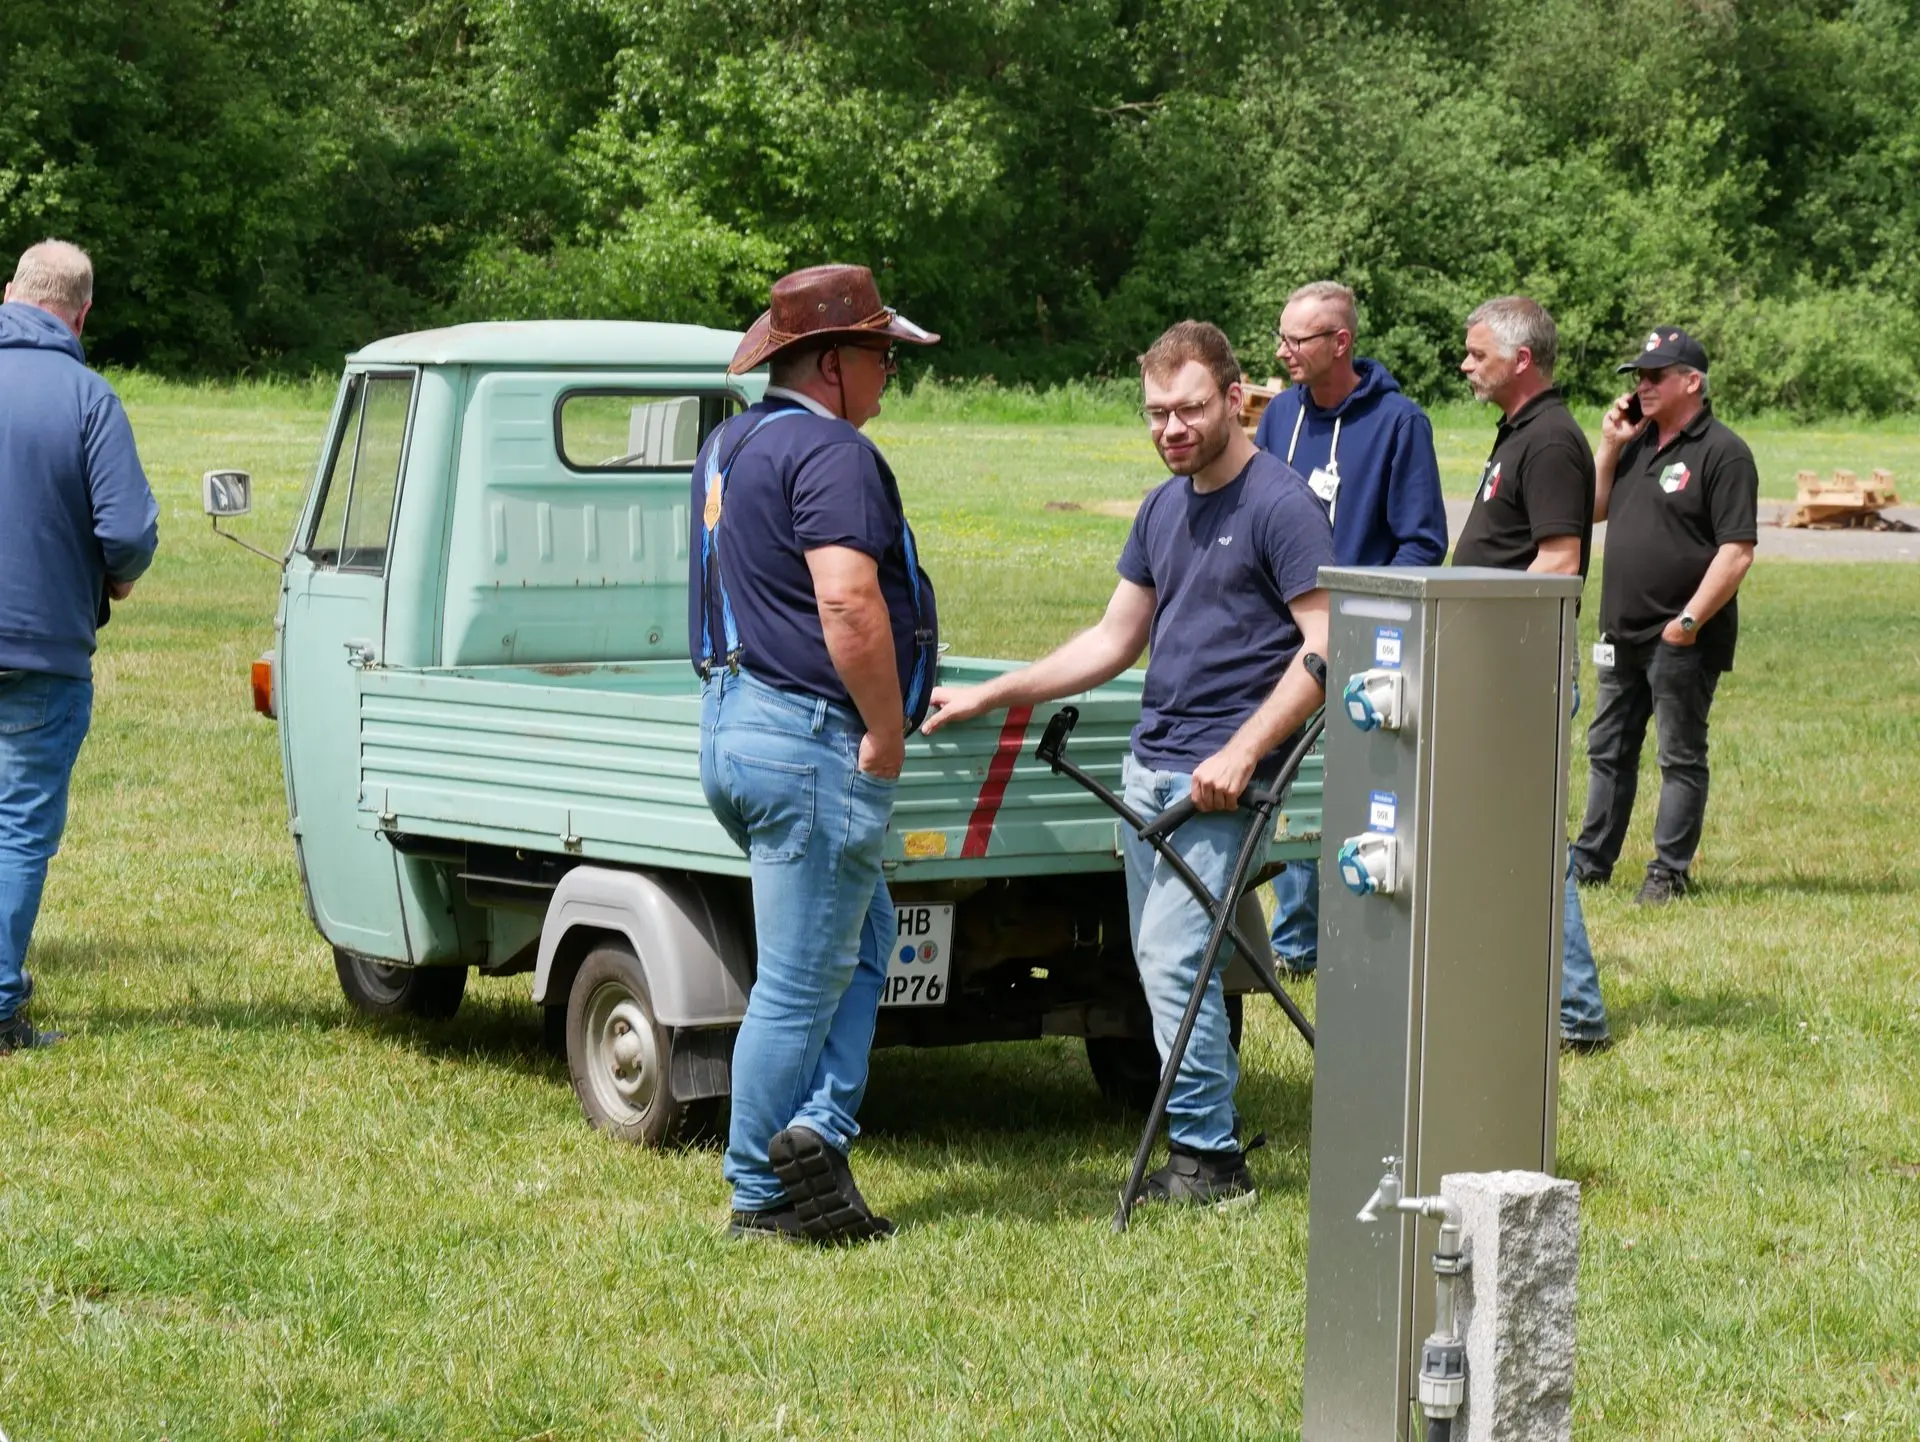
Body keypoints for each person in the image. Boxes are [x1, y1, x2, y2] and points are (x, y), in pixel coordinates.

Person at [925, 320, 1332, 1208]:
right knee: (1159, 964)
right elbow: (1114, 640)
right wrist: (995, 694)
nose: (1171, 429)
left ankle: (1210, 1163)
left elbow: (1325, 648)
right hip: (1150, 771)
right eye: (1156, 413)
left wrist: (1243, 751)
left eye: (1189, 408)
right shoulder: (1163, 507)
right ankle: (1202, 1145)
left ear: (1235, 399)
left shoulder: (1282, 505)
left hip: (1218, 784)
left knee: (1177, 965)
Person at [689, 263, 938, 1244]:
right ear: (832, 362)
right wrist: (884, 727)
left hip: (733, 720)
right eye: (880, 356)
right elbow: (846, 599)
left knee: (867, 938)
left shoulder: (730, 442)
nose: (889, 374)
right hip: (807, 736)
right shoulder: (833, 452)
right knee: (797, 980)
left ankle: (816, 1133)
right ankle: (762, 1192)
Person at [1252, 280, 1448, 977]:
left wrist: (1360, 615)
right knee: (1283, 782)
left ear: (1340, 342)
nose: (1283, 351)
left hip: (1355, 644)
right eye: (1280, 335)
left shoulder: (1400, 423)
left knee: (1347, 790)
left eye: (1297, 339)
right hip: (1277, 638)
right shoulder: (1280, 415)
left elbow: (1422, 543)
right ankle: (1294, 942)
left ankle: (1335, 934)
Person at [0, 240, 159, 1054]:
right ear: (83, 314)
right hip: (41, 651)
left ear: (9, 293)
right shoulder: (89, 399)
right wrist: (116, 577)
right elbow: (127, 533)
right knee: (19, 828)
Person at [1454, 296, 1610, 1053]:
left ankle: (1576, 1014)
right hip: (1492, 665)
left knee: (1532, 842)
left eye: (1477, 354)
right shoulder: (1521, 431)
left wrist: (1468, 615)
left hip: (1520, 670)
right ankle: (1517, 990)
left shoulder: (1549, 441)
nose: (1465, 365)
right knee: (1498, 838)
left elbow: (1558, 563)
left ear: (1521, 360)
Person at [1572, 328, 1758, 905]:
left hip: (1680, 639)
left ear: (1692, 381)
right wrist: (1610, 444)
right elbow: (1590, 509)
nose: (1642, 387)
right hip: (1621, 631)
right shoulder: (1636, 443)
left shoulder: (1723, 452)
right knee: (1608, 751)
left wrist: (1688, 624)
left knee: (1678, 757)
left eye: (1655, 376)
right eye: (1638, 377)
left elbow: (1737, 552)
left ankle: (1668, 873)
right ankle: (1591, 862)